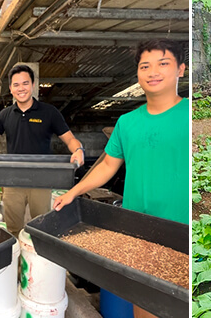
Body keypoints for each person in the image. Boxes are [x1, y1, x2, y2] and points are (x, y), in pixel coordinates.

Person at [52, 38, 189, 318]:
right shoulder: (127, 122)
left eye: (163, 64)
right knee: (144, 304)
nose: (153, 72)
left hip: (184, 231)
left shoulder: (190, 115)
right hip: (137, 232)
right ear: (137, 73)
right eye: (145, 66)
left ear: (181, 70)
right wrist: (74, 192)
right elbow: (106, 167)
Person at [0, 65, 84, 236]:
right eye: (16, 85)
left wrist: (78, 149)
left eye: (25, 83)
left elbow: (69, 139)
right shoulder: (5, 115)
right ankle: (16, 260)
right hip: (13, 181)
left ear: (33, 85)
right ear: (10, 88)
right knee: (12, 229)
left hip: (41, 180)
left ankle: (37, 260)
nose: (21, 88)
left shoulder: (49, 112)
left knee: (42, 227)